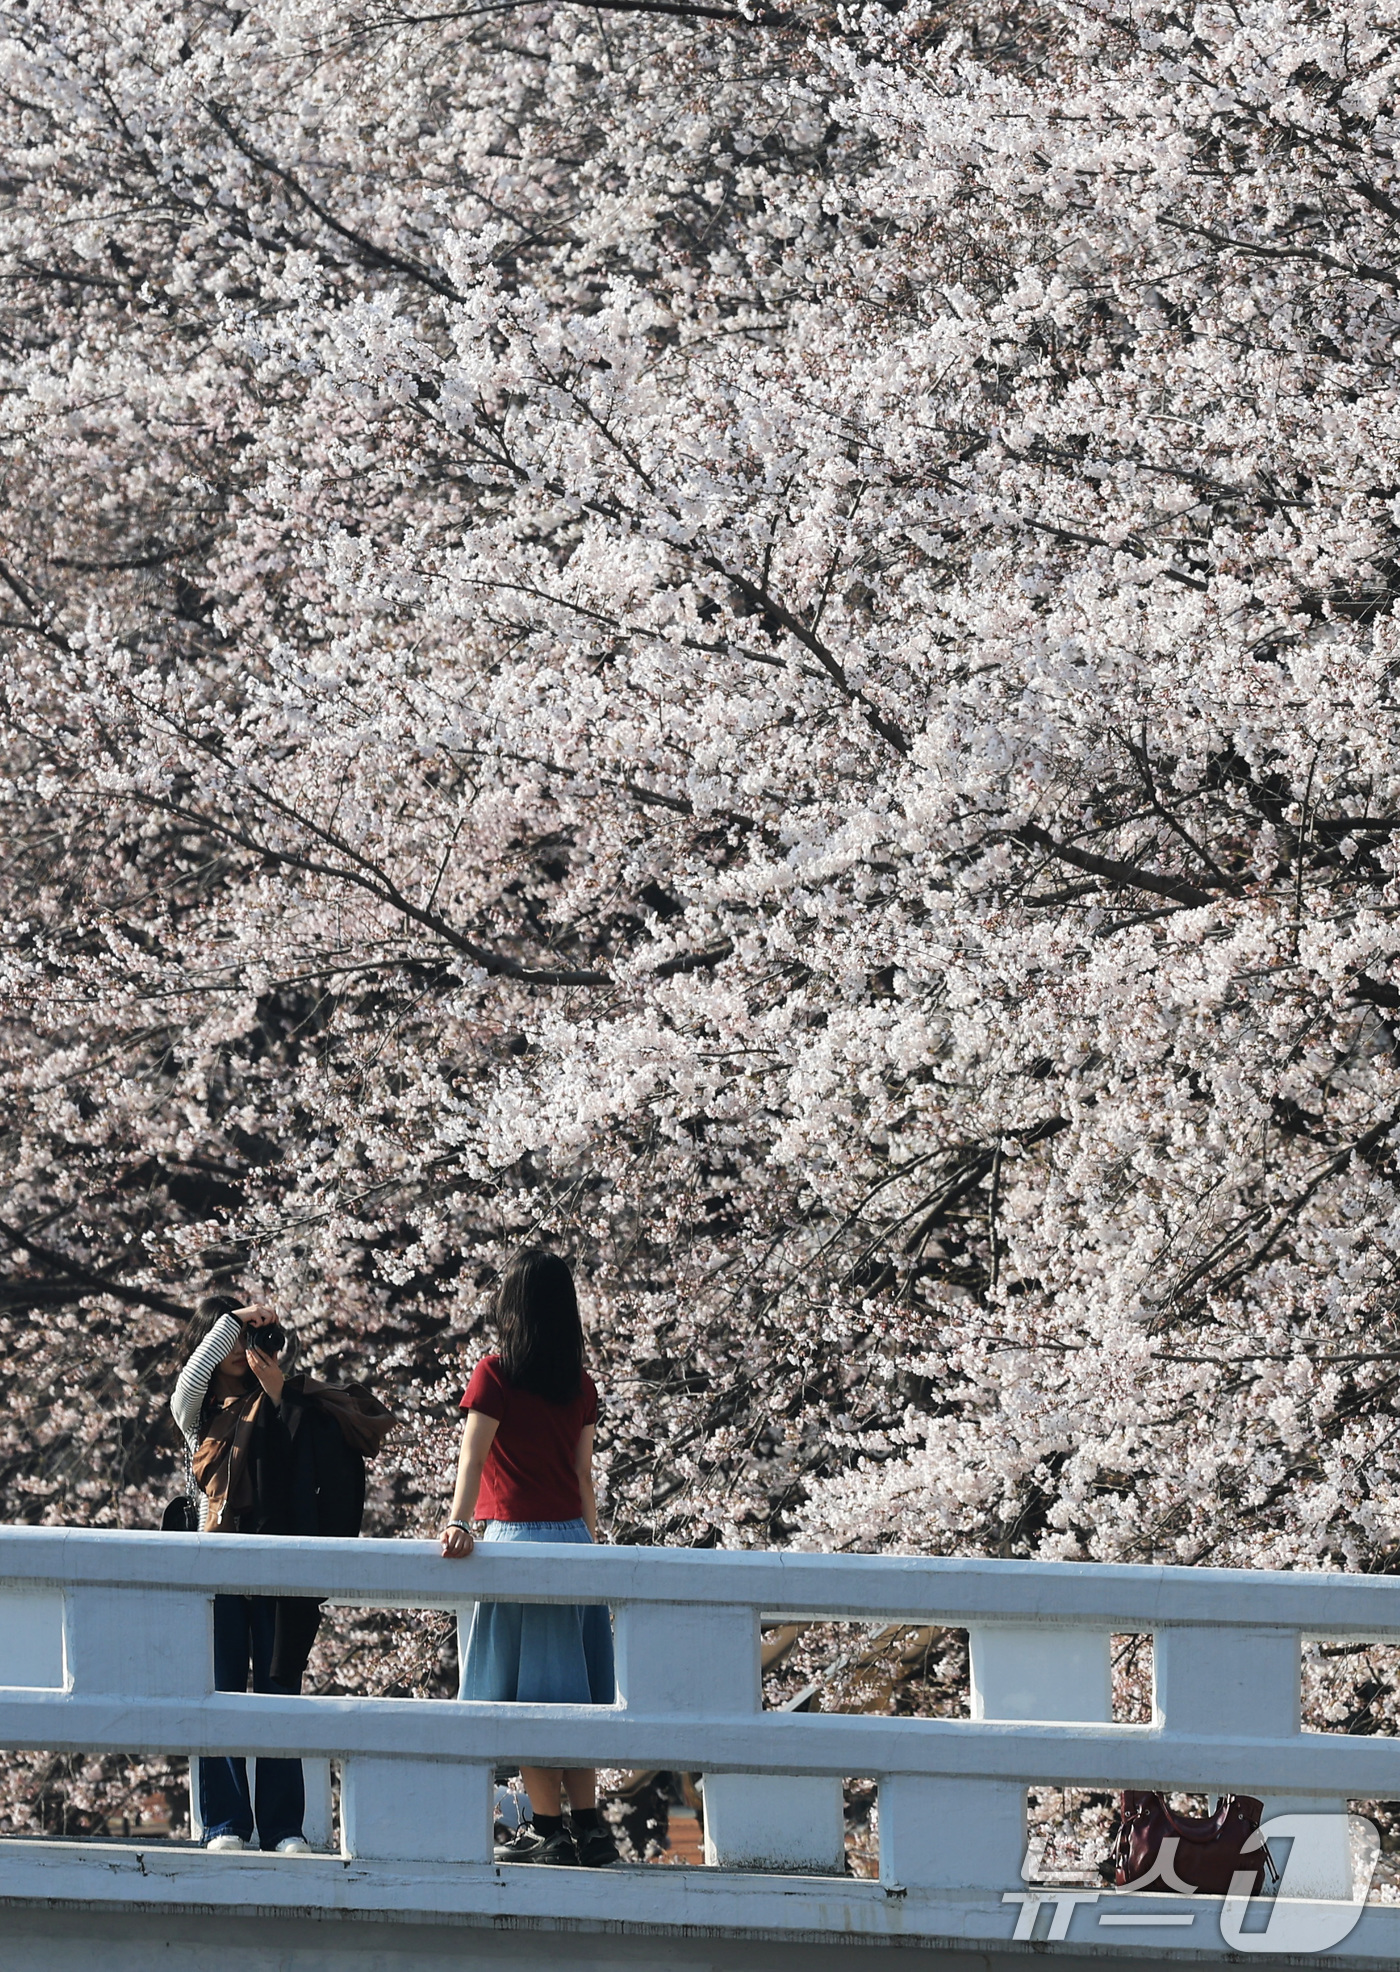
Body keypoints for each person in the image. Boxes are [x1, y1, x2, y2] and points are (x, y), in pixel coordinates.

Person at [171, 1292, 393, 1854]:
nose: (245, 1347)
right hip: (214, 1570)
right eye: (234, 1340)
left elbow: (305, 1472)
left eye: (252, 1339)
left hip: (277, 1566)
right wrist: (237, 1320)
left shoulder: (284, 1399)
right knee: (217, 1692)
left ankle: (282, 1827)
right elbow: (187, 1382)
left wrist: (276, 1393)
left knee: (278, 1689)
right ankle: (224, 1824)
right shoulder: (198, 1417)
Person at [441, 1247, 619, 1867]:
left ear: (511, 1306)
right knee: (573, 1687)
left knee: (531, 1690)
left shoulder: (494, 1374)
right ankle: (592, 1825)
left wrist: (460, 1521)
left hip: (516, 1537)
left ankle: (547, 1827)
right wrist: (592, 1547)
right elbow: (583, 1474)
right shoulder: (581, 1385)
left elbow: (473, 1456)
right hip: (573, 1537)